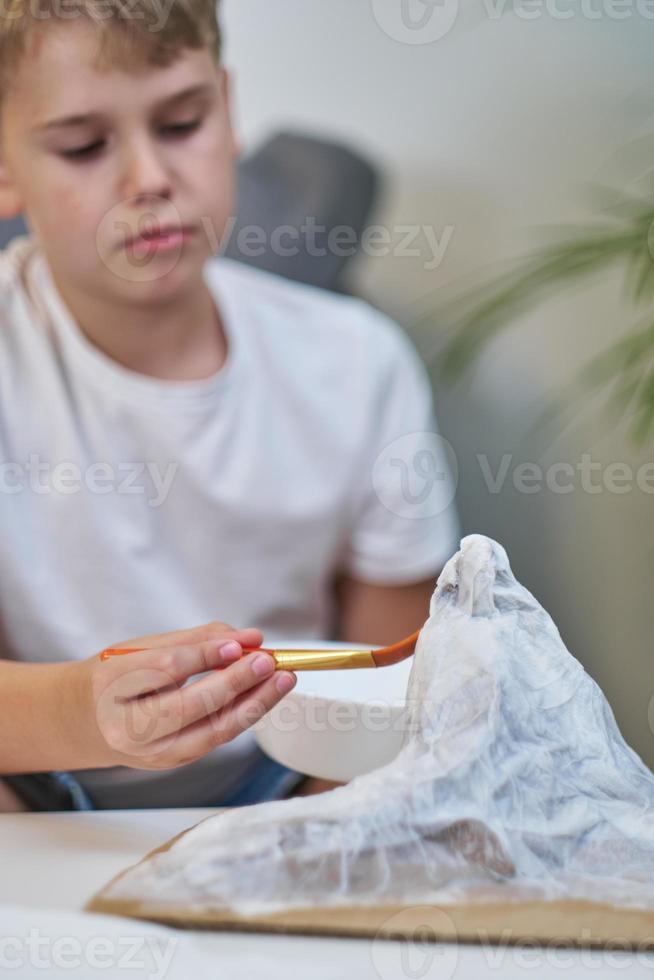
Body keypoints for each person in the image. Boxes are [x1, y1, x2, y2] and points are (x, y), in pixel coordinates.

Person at [0, 0, 459, 811]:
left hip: (281, 787)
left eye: (181, 123)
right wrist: (89, 713)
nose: (149, 178)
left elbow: (397, 679)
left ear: (228, 106)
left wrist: (289, 845)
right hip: (34, 784)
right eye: (84, 145)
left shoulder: (357, 362)